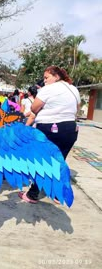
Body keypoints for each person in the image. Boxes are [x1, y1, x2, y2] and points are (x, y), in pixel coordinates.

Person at [19, 65, 80, 204]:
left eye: (47, 77)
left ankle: (32, 194)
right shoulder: (73, 89)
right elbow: (76, 109)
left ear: (56, 76)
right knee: (59, 161)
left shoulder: (48, 89)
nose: (44, 81)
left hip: (50, 128)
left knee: (41, 161)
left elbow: (34, 107)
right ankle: (59, 194)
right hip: (71, 129)